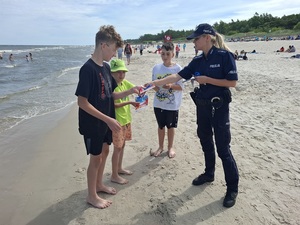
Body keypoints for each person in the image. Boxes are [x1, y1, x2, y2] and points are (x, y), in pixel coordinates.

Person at [145, 23, 239, 208]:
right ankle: (209, 173)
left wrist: (207, 80)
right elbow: (176, 77)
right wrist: (152, 83)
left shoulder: (224, 56)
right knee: (204, 139)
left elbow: (233, 82)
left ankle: (232, 188)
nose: (194, 42)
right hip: (202, 107)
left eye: (196, 39)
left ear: (207, 38)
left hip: (219, 108)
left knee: (223, 148)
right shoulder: (197, 61)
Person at [75, 25, 140, 209]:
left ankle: (99, 184)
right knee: (95, 158)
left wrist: (130, 90)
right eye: (113, 50)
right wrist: (108, 119)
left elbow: (111, 94)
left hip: (105, 123)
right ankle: (91, 195)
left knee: (104, 153)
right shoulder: (87, 70)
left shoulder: (105, 67)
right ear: (103, 45)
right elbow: (82, 102)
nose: (114, 54)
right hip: (92, 124)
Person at [150, 42, 183, 159]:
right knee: (160, 126)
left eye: (167, 54)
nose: (164, 56)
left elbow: (181, 87)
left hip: (172, 105)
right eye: (163, 54)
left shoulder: (178, 68)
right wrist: (152, 87)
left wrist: (170, 86)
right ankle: (160, 147)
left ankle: (170, 147)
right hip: (158, 103)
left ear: (173, 54)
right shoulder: (156, 68)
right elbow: (154, 85)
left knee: (170, 127)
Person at [110, 59, 139, 184]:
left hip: (126, 119)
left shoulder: (124, 83)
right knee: (117, 147)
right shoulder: (112, 86)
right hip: (117, 122)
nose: (121, 75)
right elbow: (115, 104)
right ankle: (114, 175)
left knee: (123, 145)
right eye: (117, 72)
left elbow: (135, 88)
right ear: (111, 73)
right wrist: (130, 102)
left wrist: (145, 87)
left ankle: (119, 168)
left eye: (123, 72)